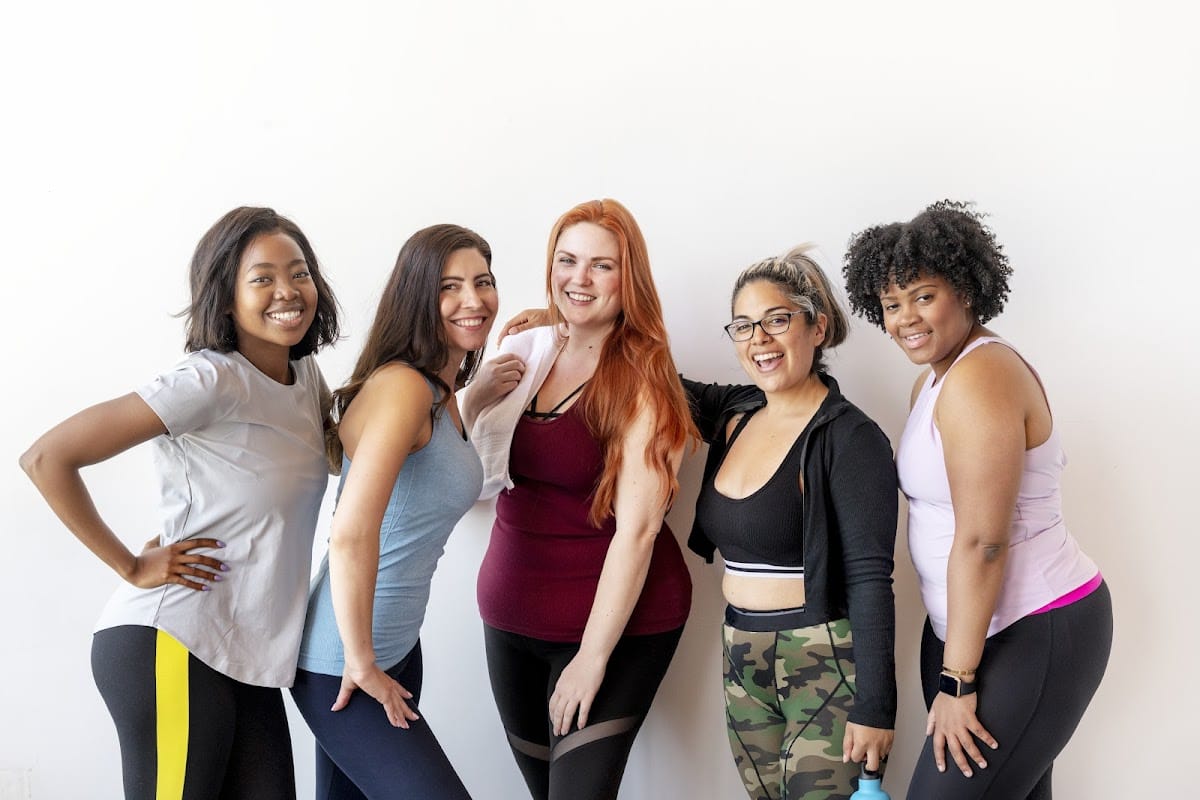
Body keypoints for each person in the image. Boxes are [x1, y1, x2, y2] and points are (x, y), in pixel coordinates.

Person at [20, 206, 341, 800]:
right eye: (263, 278)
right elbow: (47, 458)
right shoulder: (208, 379)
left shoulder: (305, 378)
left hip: (247, 656)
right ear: (226, 298)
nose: (288, 291)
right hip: (175, 639)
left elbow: (356, 450)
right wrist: (130, 565)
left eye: (299, 273)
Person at [843, 200, 1113, 800]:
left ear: (965, 289)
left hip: (1032, 627)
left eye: (923, 296)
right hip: (968, 631)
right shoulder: (933, 379)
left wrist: (958, 681)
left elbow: (984, 540)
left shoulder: (980, 375)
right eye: (891, 304)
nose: (906, 319)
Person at [463, 199, 695, 800]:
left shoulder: (644, 379)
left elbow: (638, 532)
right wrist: (472, 398)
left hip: (613, 628)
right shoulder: (527, 349)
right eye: (567, 261)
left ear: (628, 277)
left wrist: (592, 659)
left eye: (602, 265)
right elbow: (467, 469)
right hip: (510, 615)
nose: (579, 278)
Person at [290, 224, 497, 799]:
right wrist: (361, 660)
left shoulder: (439, 393)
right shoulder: (404, 388)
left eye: (483, 282)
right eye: (449, 287)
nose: (473, 299)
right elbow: (350, 533)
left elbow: (427, 478)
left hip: (397, 650)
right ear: (417, 296)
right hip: (346, 663)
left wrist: (479, 396)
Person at [685, 245, 898, 800]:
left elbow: (870, 579)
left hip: (822, 656)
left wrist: (876, 706)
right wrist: (561, 327)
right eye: (744, 325)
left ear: (817, 327)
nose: (759, 339)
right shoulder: (736, 412)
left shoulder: (850, 437)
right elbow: (649, 376)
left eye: (777, 320)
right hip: (740, 652)